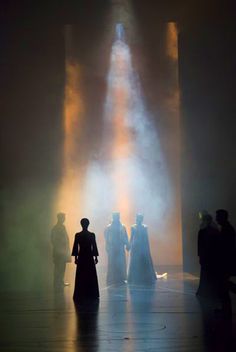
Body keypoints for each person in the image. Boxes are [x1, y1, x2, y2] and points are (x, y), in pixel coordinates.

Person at [72, 218, 99, 302]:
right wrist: (95, 257)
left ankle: (80, 293)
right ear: (88, 224)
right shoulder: (91, 235)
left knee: (81, 275)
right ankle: (92, 293)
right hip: (89, 256)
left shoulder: (78, 235)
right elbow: (94, 246)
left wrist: (76, 258)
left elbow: (75, 247)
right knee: (90, 274)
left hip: (82, 257)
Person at [216, 209, 236, 316]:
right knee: (223, 286)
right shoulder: (227, 228)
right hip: (226, 262)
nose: (216, 218)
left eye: (218, 216)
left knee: (223, 286)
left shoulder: (227, 229)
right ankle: (225, 309)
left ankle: (226, 310)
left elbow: (225, 248)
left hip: (225, 262)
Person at [128, 214, 157, 285]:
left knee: (143, 261)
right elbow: (132, 237)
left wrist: (147, 248)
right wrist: (129, 246)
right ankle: (134, 276)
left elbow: (146, 238)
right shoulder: (133, 227)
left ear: (141, 219)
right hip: (136, 247)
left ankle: (144, 276)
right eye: (137, 218)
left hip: (143, 246)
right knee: (135, 261)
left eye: (139, 218)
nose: (137, 220)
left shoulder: (145, 227)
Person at [196, 214, 220, 298]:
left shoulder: (203, 231)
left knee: (206, 274)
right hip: (210, 257)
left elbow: (200, 245)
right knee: (210, 274)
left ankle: (205, 291)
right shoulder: (214, 231)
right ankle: (211, 291)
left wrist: (200, 256)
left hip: (207, 257)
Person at [104, 212, 130, 285]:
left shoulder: (122, 226)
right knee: (112, 263)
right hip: (112, 248)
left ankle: (121, 278)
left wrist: (127, 244)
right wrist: (107, 246)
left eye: (117, 216)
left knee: (120, 263)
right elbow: (106, 238)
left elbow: (125, 236)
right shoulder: (109, 227)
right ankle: (112, 278)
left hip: (120, 248)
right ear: (113, 217)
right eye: (115, 216)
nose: (116, 218)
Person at [51, 212, 71, 289]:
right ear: (60, 218)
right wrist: (59, 248)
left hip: (62, 251)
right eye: (63, 217)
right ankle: (57, 282)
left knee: (62, 267)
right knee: (58, 267)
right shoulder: (56, 228)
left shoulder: (62, 227)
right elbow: (53, 240)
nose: (64, 219)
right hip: (59, 252)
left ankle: (60, 281)